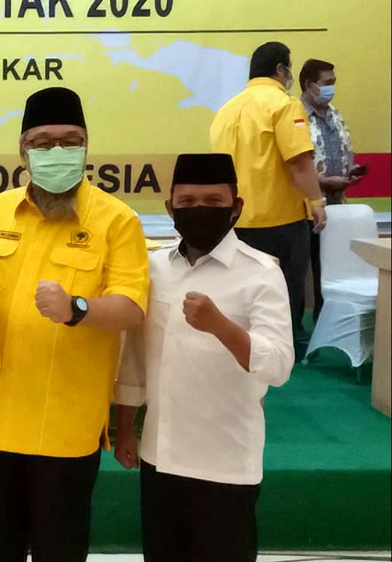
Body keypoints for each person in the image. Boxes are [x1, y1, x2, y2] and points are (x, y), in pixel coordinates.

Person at [0, 86, 149, 562]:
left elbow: (132, 308)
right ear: (23, 149)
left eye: (71, 141)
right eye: (44, 141)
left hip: (64, 423)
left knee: (59, 549)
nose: (58, 151)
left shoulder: (117, 220)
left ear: (86, 147)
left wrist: (78, 308)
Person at [114, 153, 295, 562]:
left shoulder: (261, 273)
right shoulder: (154, 268)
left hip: (225, 458)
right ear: (170, 208)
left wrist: (221, 326)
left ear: (236, 207)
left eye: (213, 202)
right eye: (188, 201)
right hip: (160, 454)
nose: (199, 210)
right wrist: (125, 427)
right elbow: (135, 357)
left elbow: (279, 366)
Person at [210, 41, 326, 339]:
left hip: (233, 221)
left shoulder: (226, 110)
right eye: (289, 68)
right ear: (280, 69)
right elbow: (299, 161)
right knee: (283, 297)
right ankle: (285, 352)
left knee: (239, 297)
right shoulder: (284, 105)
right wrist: (317, 202)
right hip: (280, 221)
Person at [299, 58, 367, 321]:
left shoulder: (334, 114)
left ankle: (328, 320)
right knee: (302, 269)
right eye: (327, 83)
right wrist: (324, 182)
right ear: (309, 85)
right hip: (305, 207)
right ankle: (300, 326)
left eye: (334, 82)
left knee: (330, 266)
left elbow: (343, 149)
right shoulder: (295, 115)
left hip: (336, 205)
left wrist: (350, 172)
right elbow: (294, 164)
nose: (332, 88)